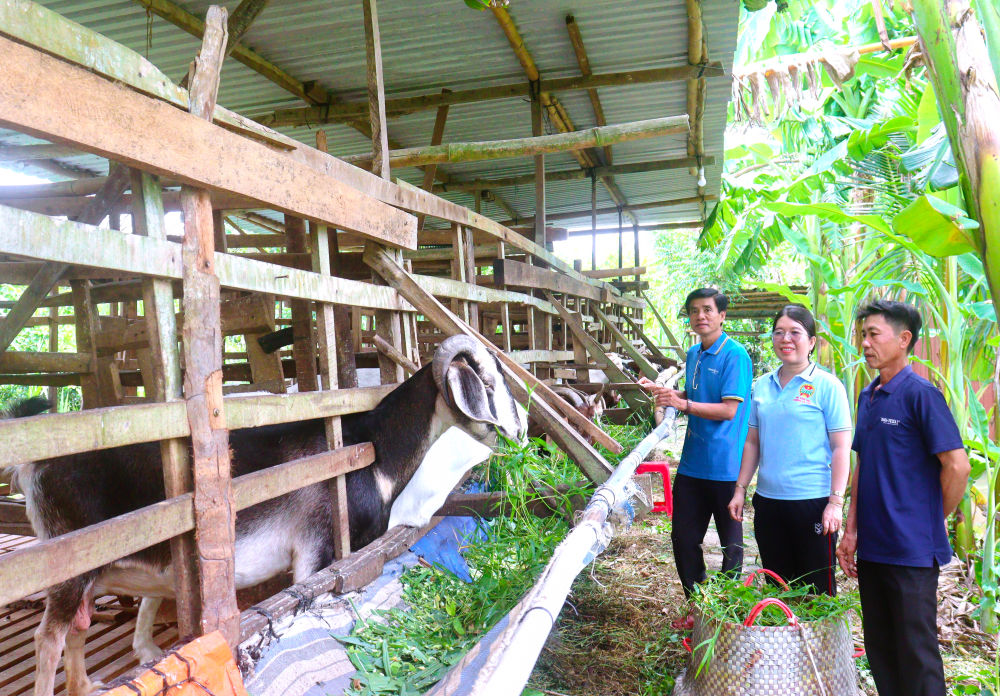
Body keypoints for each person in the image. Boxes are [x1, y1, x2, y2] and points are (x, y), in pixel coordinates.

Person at [836, 300, 971, 696]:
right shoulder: (869, 396)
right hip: (873, 549)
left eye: (874, 334)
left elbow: (957, 467)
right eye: (863, 335)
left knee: (916, 652)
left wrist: (931, 518)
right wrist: (851, 529)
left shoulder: (921, 395)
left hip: (911, 552)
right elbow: (862, 465)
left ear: (904, 339)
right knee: (880, 649)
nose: (865, 343)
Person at [639, 288, 752, 628]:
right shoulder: (694, 353)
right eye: (694, 311)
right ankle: (698, 605)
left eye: (707, 310)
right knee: (683, 539)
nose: (700, 316)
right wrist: (670, 394)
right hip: (692, 463)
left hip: (727, 465)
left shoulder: (735, 356)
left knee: (732, 545)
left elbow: (729, 409)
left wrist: (682, 404)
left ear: (722, 316)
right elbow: (695, 394)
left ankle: (728, 611)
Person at [727, 305, 852, 595]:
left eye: (795, 332)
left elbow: (841, 447)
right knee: (778, 587)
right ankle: (784, 641)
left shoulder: (827, 386)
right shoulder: (762, 386)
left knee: (817, 591)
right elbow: (753, 442)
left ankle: (820, 641)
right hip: (769, 504)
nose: (786, 339)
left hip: (813, 503)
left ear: (811, 342)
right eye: (779, 332)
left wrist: (835, 503)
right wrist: (740, 489)